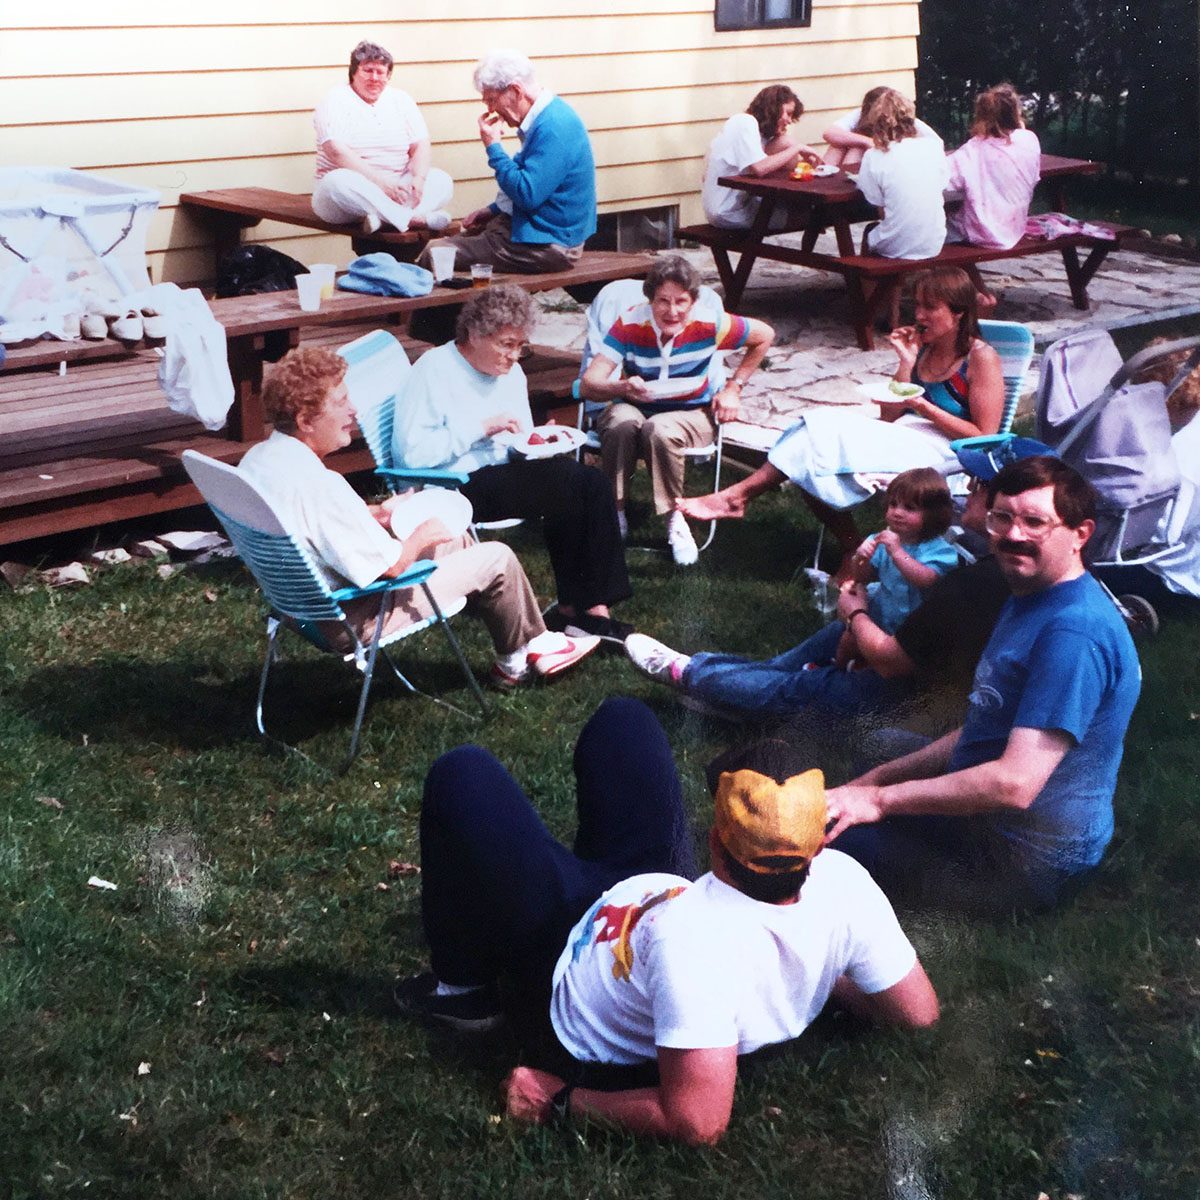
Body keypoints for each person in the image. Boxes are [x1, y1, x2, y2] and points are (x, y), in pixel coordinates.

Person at [396, 699, 938, 1144]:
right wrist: (812, 970)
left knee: (462, 774)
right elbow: (917, 1012)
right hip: (651, 901)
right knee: (624, 720)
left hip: (565, 965)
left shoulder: (693, 941)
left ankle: (462, 994)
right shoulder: (843, 881)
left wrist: (557, 1099)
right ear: (816, 845)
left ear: (716, 841)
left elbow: (696, 1121)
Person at [825, 455, 1142, 914]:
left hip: (1022, 858)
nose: (1013, 535)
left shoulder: (1073, 635)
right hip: (987, 812)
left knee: (824, 845)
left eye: (1035, 522)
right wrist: (875, 781)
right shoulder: (1031, 593)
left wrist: (879, 799)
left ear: (1080, 534)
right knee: (873, 752)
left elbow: (1015, 783)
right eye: (1002, 517)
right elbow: (983, 726)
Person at [623, 440, 1059, 730]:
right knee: (787, 664)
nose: (970, 490)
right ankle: (714, 677)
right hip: (892, 637)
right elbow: (874, 583)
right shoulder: (982, 551)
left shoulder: (979, 581)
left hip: (907, 694)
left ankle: (686, 673)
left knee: (803, 687)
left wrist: (855, 611)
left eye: (978, 485)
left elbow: (892, 662)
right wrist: (862, 577)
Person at [238, 346, 599, 687]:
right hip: (354, 619)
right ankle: (519, 659)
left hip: (299, 610)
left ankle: (524, 643)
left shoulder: (261, 461)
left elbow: (314, 523)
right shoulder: (322, 485)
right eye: (341, 402)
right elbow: (391, 568)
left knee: (456, 539)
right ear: (305, 420)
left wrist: (376, 513)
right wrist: (421, 535)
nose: (354, 411)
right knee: (496, 557)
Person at [679, 266, 1004, 563]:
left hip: (950, 454)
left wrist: (924, 407)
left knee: (818, 444)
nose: (919, 315)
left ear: (959, 313)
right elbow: (891, 416)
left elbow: (985, 437)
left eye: (930, 307)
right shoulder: (923, 348)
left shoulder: (980, 358)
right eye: (917, 305)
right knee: (814, 440)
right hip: (905, 435)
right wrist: (906, 363)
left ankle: (739, 497)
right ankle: (851, 547)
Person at [391, 284, 633, 643]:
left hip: (499, 474)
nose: (513, 356)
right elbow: (411, 455)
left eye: (520, 346)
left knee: (586, 482)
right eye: (506, 344)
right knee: (569, 483)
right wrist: (480, 428)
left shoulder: (511, 373)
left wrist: (539, 442)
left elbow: (516, 442)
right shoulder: (434, 370)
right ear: (475, 334)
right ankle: (588, 613)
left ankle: (581, 610)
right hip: (452, 483)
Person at [578, 255, 775, 565]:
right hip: (636, 405)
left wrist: (733, 388)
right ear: (650, 300)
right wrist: (622, 387)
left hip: (692, 413)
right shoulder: (630, 323)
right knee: (619, 421)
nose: (672, 311)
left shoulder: (711, 323)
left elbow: (764, 336)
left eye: (681, 301)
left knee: (660, 428)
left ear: (693, 301)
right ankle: (615, 514)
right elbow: (589, 383)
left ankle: (675, 519)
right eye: (663, 301)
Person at [420, 49, 595, 275]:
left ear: (516, 91)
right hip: (538, 231)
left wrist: (494, 148)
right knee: (452, 243)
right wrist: (493, 209)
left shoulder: (554, 127)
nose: (491, 110)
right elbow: (539, 183)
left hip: (551, 244)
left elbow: (527, 194)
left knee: (435, 252)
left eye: (492, 100)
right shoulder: (545, 115)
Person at [311, 40, 453, 236]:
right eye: (368, 71)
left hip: (397, 190)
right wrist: (382, 185)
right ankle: (412, 218)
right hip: (349, 198)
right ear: (353, 72)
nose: (374, 78)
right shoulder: (335, 100)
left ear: (388, 75)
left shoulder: (401, 100)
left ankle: (384, 219)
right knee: (335, 182)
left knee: (441, 180)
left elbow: (421, 145)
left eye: (380, 72)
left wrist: (418, 179)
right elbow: (336, 150)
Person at [831, 468, 957, 670]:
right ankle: (835, 669)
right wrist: (861, 559)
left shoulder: (940, 551)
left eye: (909, 508)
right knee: (848, 640)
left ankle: (861, 668)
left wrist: (897, 552)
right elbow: (863, 577)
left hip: (914, 627)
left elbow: (926, 579)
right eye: (893, 504)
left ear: (933, 515)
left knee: (885, 664)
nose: (897, 512)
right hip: (882, 612)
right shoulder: (881, 540)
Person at [701, 84, 822, 229]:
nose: (790, 121)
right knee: (811, 216)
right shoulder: (745, 121)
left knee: (786, 142)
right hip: (728, 211)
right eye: (788, 113)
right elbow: (759, 168)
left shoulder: (758, 133)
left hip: (734, 204)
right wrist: (798, 148)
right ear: (774, 109)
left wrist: (795, 149)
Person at [855, 89, 950, 260]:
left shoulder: (874, 156)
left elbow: (878, 205)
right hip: (933, 243)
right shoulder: (932, 147)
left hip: (896, 247)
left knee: (872, 230)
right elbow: (942, 184)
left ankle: (868, 277)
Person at [945, 84, 1041, 253]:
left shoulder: (973, 150)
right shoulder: (1029, 140)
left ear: (980, 118)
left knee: (934, 226)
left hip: (982, 233)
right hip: (1014, 228)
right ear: (1016, 113)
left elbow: (944, 180)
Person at [823, 85, 943, 169]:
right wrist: (866, 141)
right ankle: (825, 184)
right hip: (870, 159)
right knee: (839, 147)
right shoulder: (860, 114)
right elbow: (829, 133)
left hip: (892, 161)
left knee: (856, 150)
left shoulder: (905, 119)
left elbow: (937, 143)